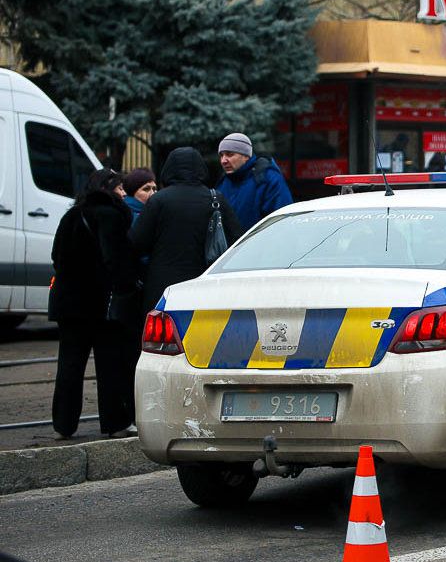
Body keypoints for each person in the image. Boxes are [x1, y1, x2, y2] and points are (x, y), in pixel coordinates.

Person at [48, 169, 140, 439]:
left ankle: (63, 425)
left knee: (69, 364)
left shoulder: (72, 214)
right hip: (100, 303)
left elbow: (56, 256)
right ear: (109, 189)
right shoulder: (110, 216)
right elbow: (115, 260)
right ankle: (114, 423)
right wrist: (126, 286)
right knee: (109, 364)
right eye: (120, 188)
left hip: (68, 303)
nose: (124, 193)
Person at [131, 147, 242, 315]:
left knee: (162, 338)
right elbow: (237, 240)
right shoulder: (215, 199)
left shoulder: (159, 200)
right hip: (205, 283)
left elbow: (137, 242)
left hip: (163, 286)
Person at [215, 132, 293, 231]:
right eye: (221, 155)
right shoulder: (223, 182)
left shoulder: (267, 178)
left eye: (230, 154)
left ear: (246, 156)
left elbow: (281, 219)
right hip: (231, 246)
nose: (223, 160)